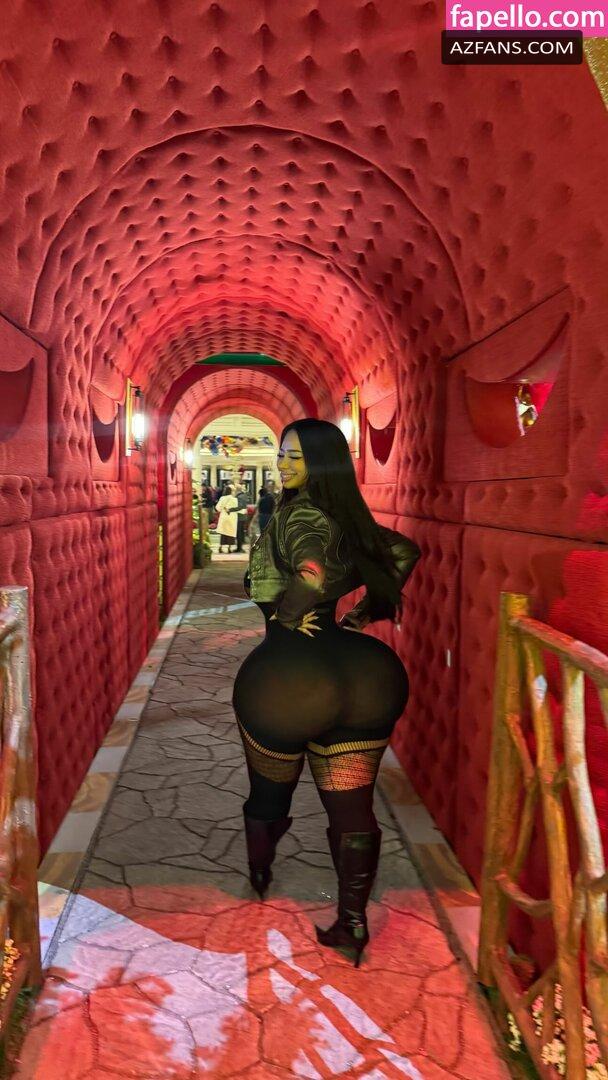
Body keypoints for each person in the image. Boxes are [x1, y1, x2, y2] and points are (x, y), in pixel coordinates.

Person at [232, 419, 421, 966]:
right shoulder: (347, 518)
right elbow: (404, 552)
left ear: (322, 463)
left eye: (297, 456)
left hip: (290, 679)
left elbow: (311, 572)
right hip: (364, 677)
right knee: (352, 806)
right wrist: (358, 617)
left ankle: (261, 871)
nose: (284, 464)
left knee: (270, 795)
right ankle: (352, 923)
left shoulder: (299, 515)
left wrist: (288, 618)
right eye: (282, 454)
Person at [215, 484, 238, 554]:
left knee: (223, 533)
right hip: (232, 517)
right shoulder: (234, 499)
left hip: (224, 517)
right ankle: (229, 548)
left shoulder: (222, 498)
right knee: (231, 533)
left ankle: (220, 547)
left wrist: (223, 508)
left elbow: (217, 508)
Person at [234, 483, 250, 553]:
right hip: (243, 517)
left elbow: (239, 507)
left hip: (239, 517)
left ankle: (239, 548)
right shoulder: (243, 495)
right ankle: (239, 547)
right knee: (241, 532)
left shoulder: (239, 497)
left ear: (237, 489)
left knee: (239, 533)